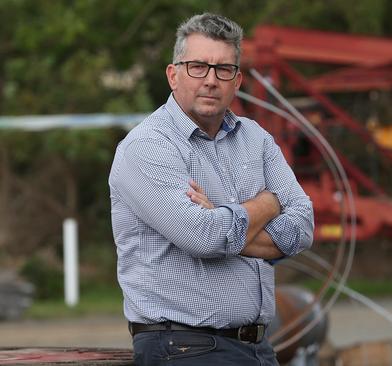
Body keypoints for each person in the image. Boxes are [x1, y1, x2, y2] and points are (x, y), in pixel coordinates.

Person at [109, 13, 314, 366]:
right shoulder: (146, 147)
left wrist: (221, 215)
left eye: (223, 70)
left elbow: (303, 227)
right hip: (183, 348)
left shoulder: (256, 139)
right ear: (173, 75)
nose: (211, 80)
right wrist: (269, 201)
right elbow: (203, 238)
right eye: (198, 67)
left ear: (237, 81)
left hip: (260, 348)